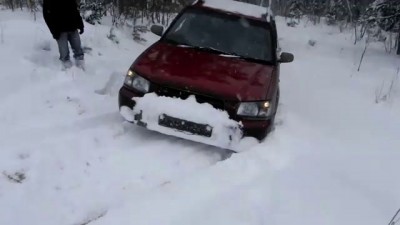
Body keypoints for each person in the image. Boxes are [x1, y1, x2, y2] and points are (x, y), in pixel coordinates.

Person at [43, 0, 85, 69]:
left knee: (79, 52)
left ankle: (82, 69)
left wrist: (80, 25)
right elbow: (47, 16)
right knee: (64, 55)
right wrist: (54, 31)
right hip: (60, 31)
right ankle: (68, 73)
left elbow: (75, 10)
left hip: (73, 28)